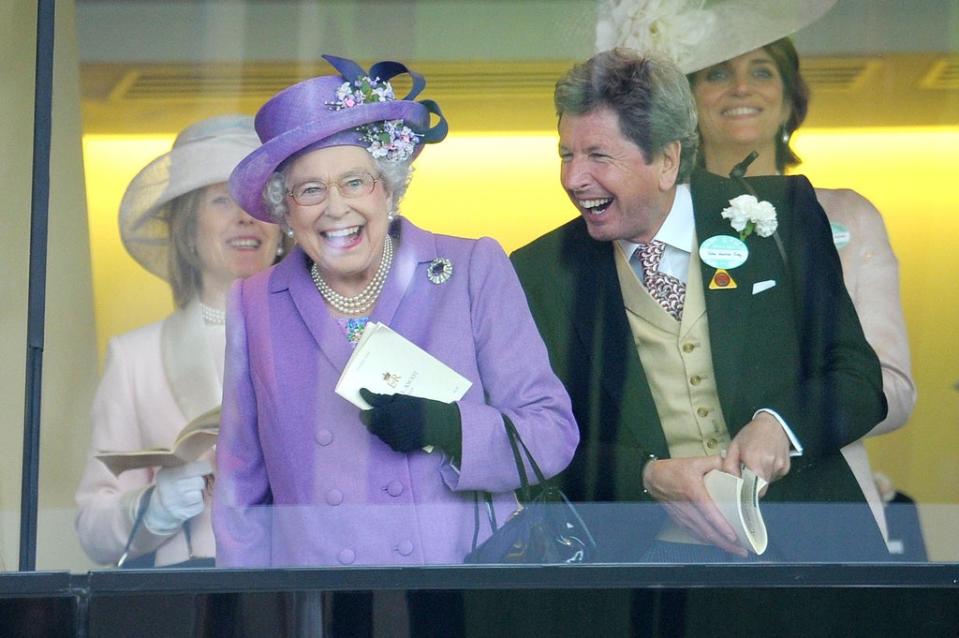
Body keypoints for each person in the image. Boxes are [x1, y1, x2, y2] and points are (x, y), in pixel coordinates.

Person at [510, 48, 888, 562]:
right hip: (649, 570)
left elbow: (858, 379)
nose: (573, 179)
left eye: (598, 156)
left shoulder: (783, 214)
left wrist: (780, 424)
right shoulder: (542, 269)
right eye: (565, 154)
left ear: (667, 159)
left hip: (812, 552)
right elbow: (535, 442)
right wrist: (646, 476)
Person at [213, 54, 578, 567]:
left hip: (458, 591)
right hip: (324, 598)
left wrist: (448, 428)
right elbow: (239, 487)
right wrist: (247, 608)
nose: (335, 207)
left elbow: (551, 435)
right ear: (287, 210)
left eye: (355, 182)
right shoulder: (254, 302)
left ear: (389, 187)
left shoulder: (471, 270)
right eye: (311, 190)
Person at [686, 32, 916, 550]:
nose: (741, 86)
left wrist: (781, 425)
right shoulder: (656, 224)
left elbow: (892, 386)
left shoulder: (847, 215)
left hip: (827, 508)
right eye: (717, 72)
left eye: (763, 70)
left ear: (791, 99)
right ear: (686, 100)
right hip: (691, 514)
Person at [75, 115, 285, 568]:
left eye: (259, 199)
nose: (245, 217)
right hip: (190, 600)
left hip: (306, 592)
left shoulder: (324, 341)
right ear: (189, 228)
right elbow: (93, 526)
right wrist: (154, 508)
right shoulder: (135, 357)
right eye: (222, 200)